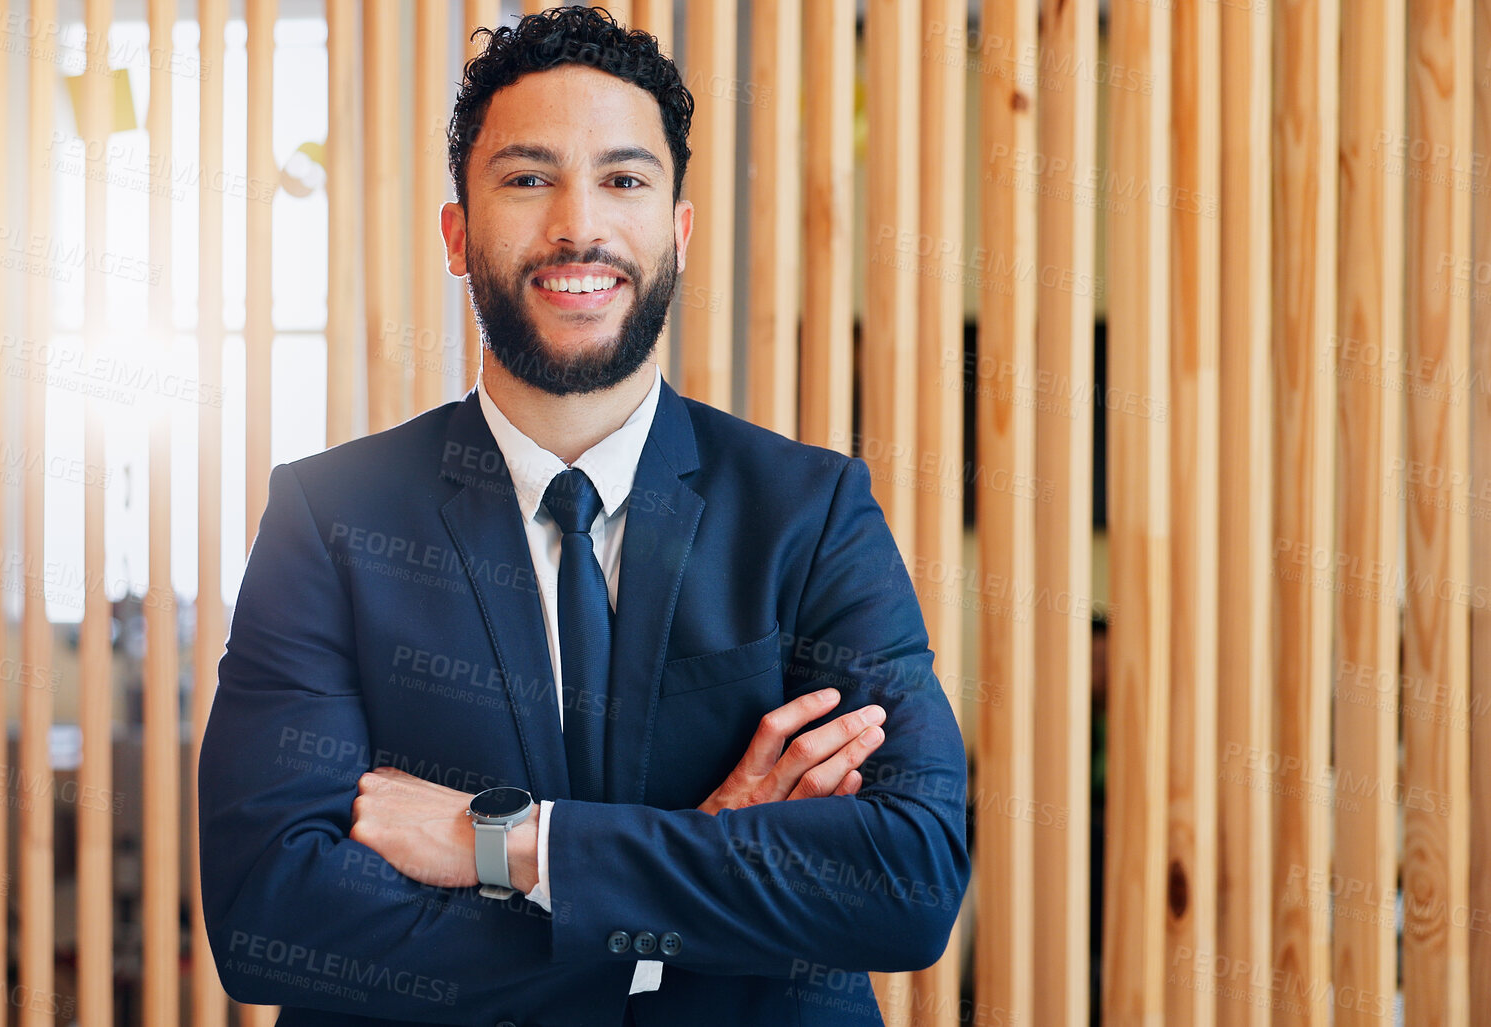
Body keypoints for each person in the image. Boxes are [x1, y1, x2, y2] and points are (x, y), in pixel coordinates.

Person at [198, 7, 968, 1024]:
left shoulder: (811, 512)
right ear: (458, 233)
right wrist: (697, 874)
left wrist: (516, 844)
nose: (579, 225)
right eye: (527, 177)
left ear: (676, 232)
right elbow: (271, 916)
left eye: (624, 179)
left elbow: (906, 884)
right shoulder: (329, 518)